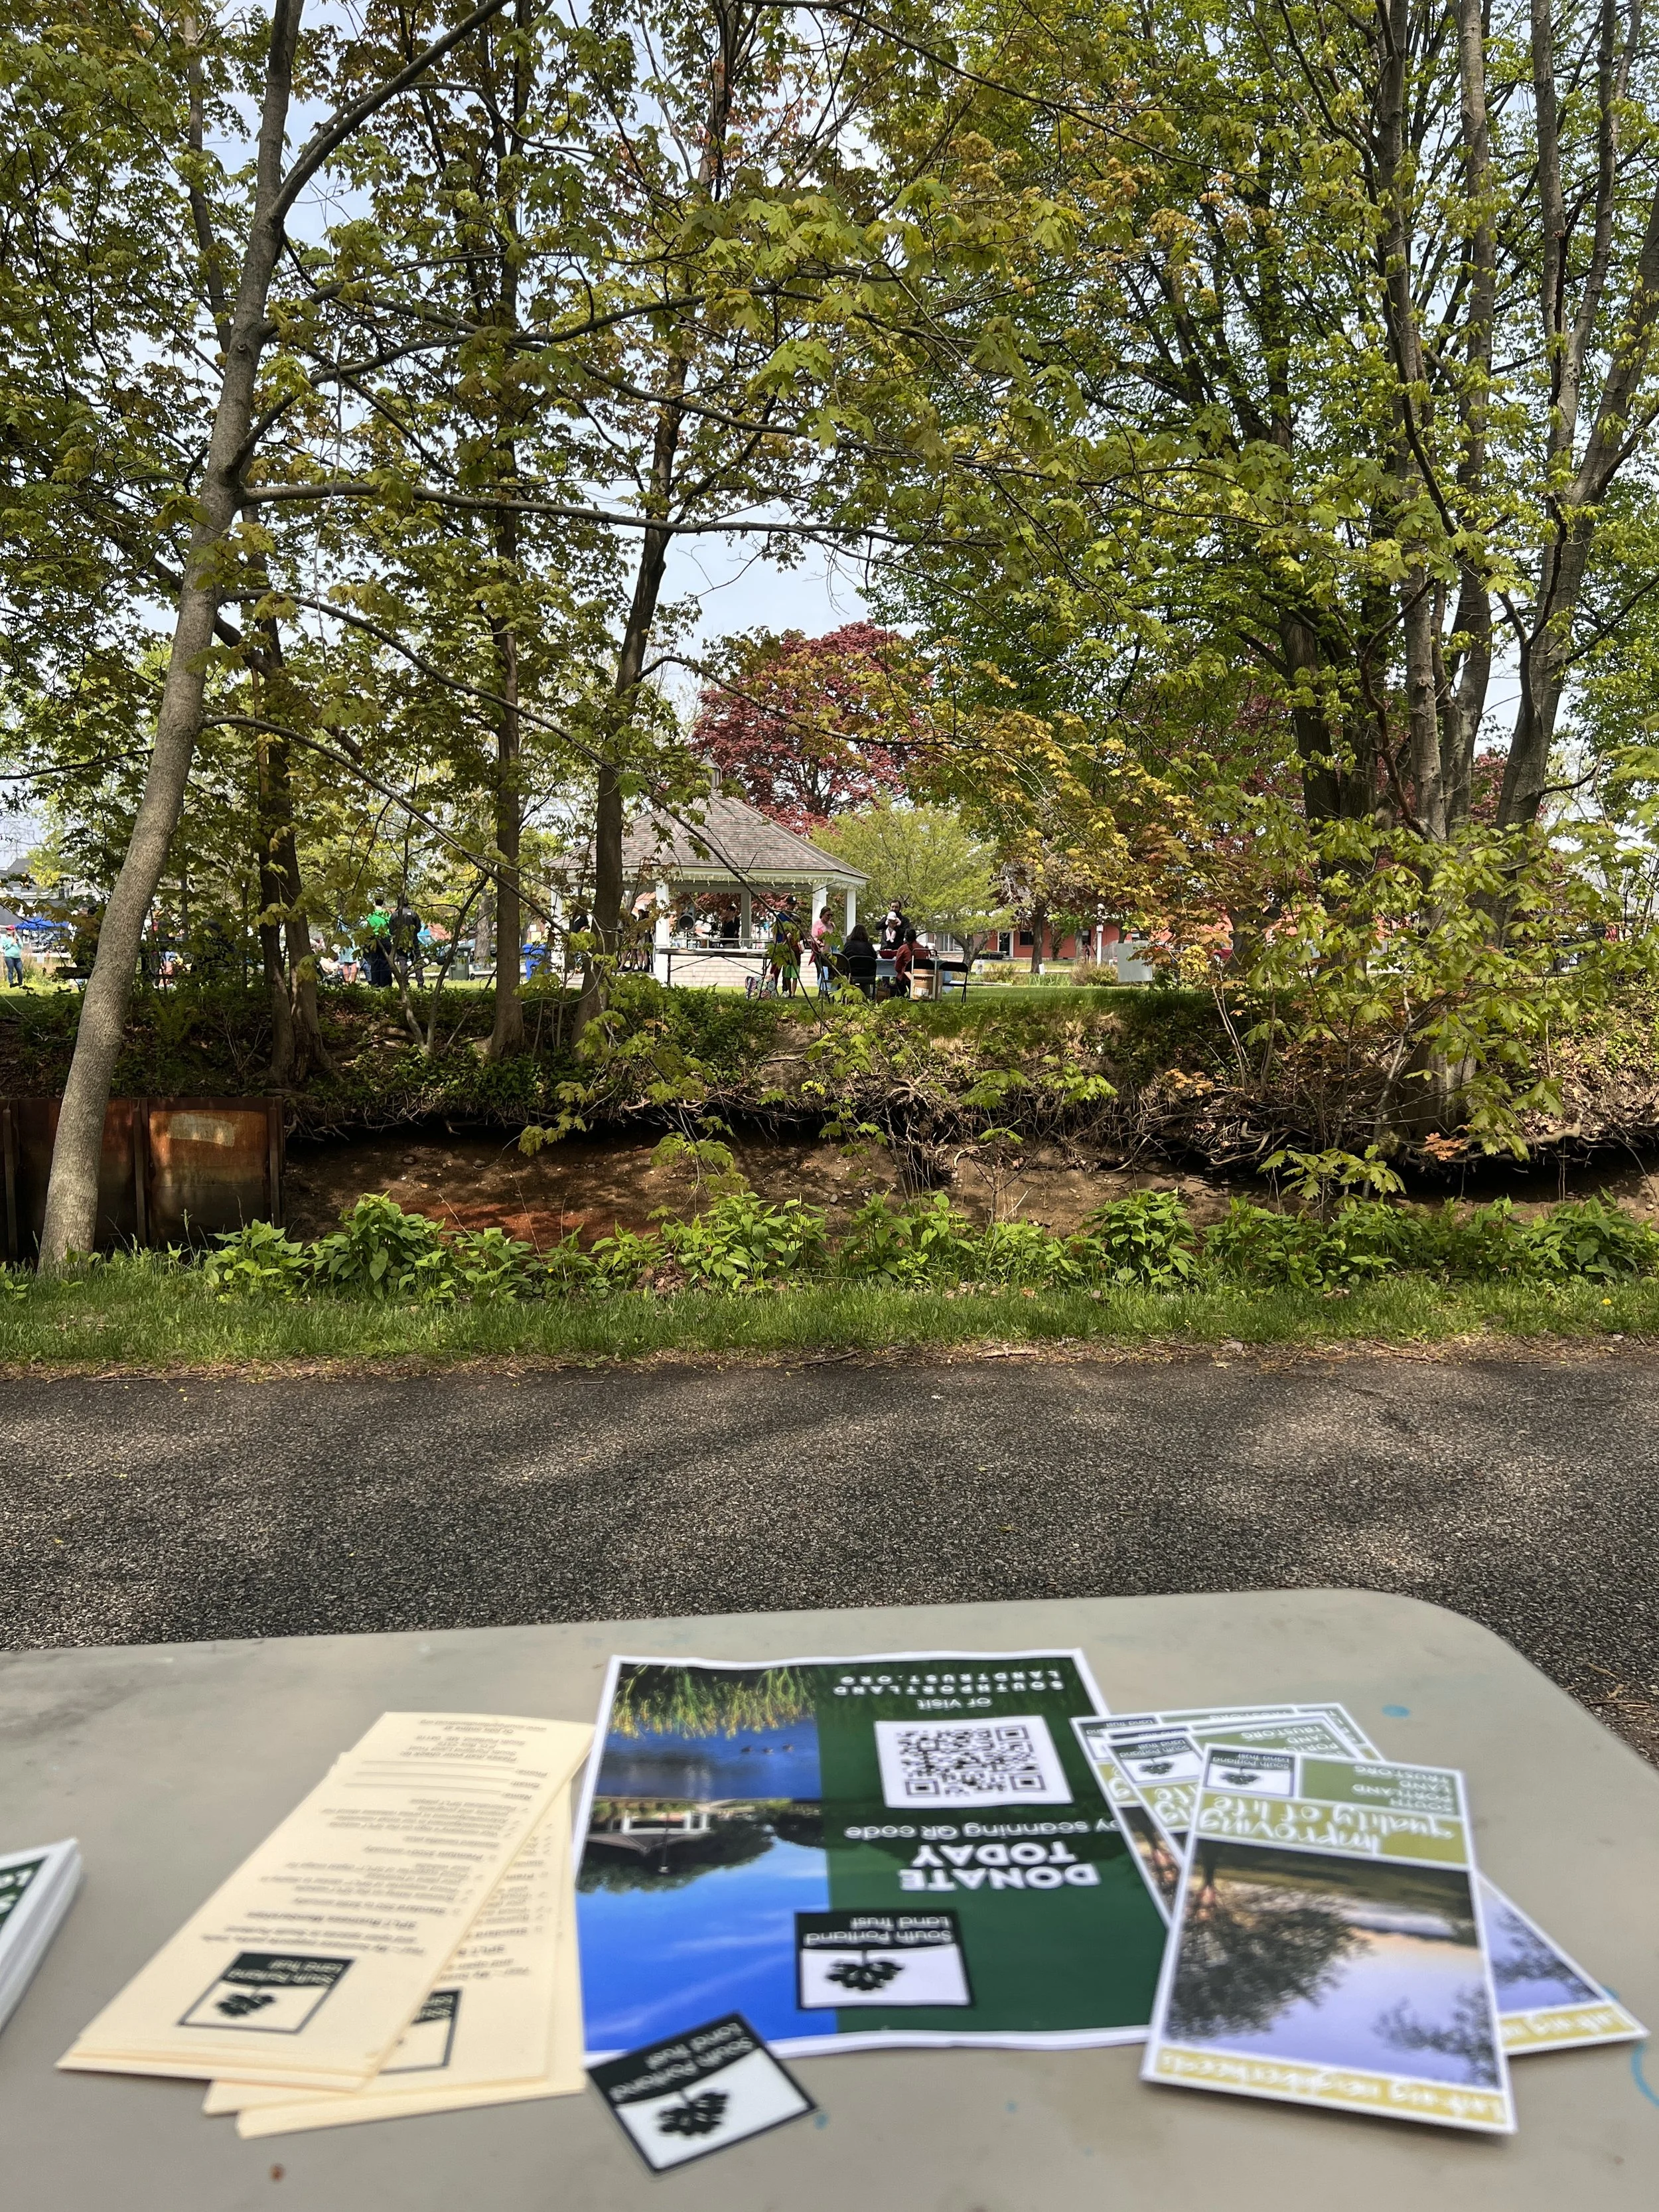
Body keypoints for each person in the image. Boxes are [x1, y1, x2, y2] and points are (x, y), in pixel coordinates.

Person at [768, 897, 803, 996]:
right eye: (791, 904)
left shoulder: (793, 917)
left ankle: (786, 990)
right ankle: (772, 988)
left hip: (789, 947)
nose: (792, 907)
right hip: (780, 944)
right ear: (787, 904)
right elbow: (775, 931)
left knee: (787, 969)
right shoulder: (780, 916)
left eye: (794, 905)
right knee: (776, 968)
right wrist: (776, 944)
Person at [389, 895, 423, 986]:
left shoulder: (394, 915)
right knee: (417, 961)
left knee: (403, 962)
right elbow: (418, 927)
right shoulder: (413, 913)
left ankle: (405, 982)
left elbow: (391, 930)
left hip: (400, 942)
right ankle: (420, 982)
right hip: (413, 940)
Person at [841, 920, 877, 998]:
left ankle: (849, 997)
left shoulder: (848, 945)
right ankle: (866, 997)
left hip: (852, 973)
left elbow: (843, 958)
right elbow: (875, 958)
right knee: (866, 980)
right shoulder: (869, 946)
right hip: (868, 974)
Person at [891, 926, 915, 999]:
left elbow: (897, 968)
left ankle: (903, 996)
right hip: (920, 976)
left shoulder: (902, 949)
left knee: (899, 978)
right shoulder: (922, 948)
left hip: (907, 977)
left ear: (905, 937)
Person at [1, 922, 23, 988]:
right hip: (9, 956)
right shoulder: (4, 938)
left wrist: (18, 941)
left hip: (17, 957)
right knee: (11, 970)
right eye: (7, 929)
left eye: (10, 930)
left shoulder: (17, 937)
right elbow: (4, 947)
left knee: (19, 970)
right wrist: (11, 943)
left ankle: (20, 983)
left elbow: (21, 946)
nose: (8, 931)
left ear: (13, 930)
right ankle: (11, 984)